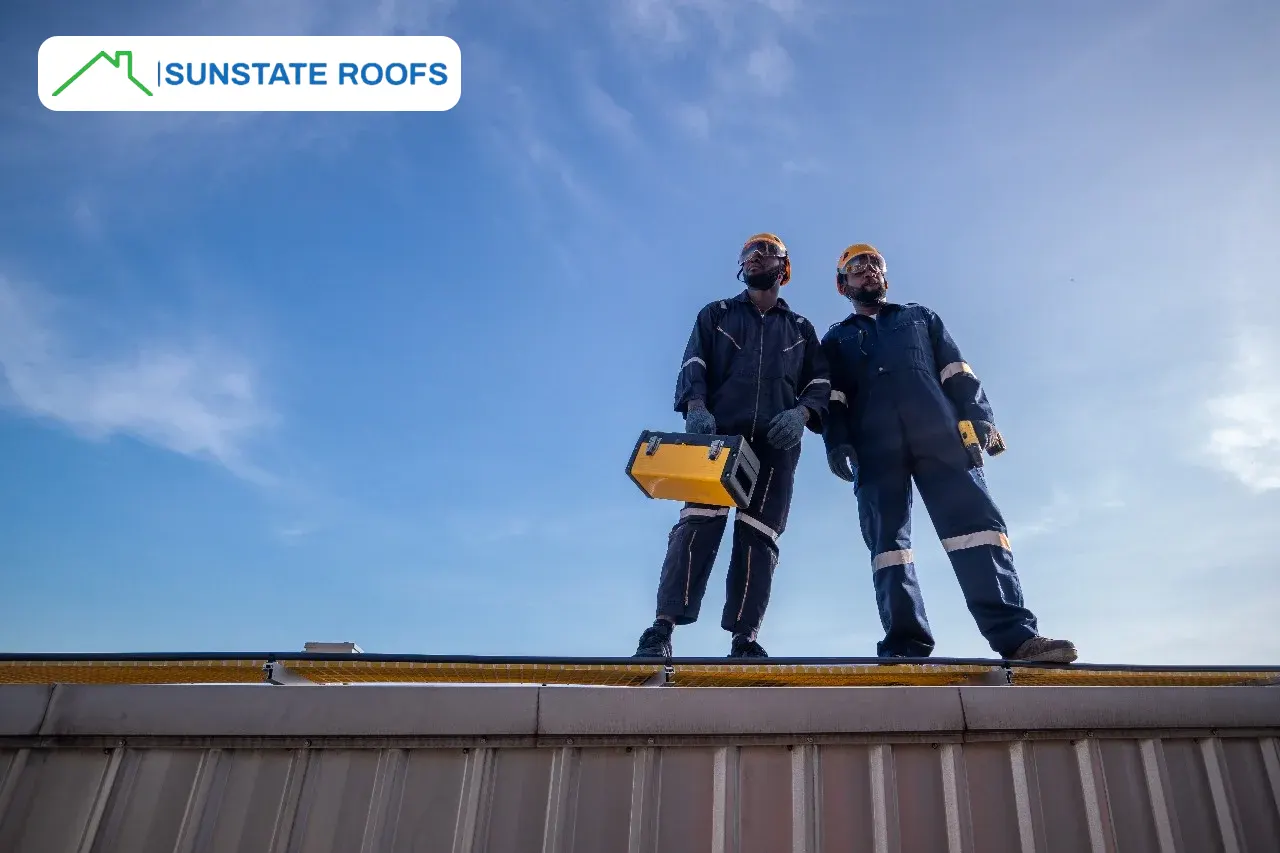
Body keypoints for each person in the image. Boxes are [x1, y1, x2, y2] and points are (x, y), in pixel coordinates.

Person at [819, 242, 1077, 663]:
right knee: (889, 547)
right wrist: (837, 440)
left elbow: (956, 370)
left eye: (875, 264)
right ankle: (905, 648)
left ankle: (1016, 639)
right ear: (841, 283)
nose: (868, 271)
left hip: (940, 438)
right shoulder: (836, 338)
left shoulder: (919, 317)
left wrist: (979, 418)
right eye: (856, 267)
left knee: (978, 531)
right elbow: (835, 398)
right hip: (875, 446)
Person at [633, 233, 831, 658]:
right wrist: (696, 408)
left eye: (767, 253)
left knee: (759, 536)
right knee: (697, 525)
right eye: (749, 254)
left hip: (776, 445)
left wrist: (802, 415)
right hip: (717, 440)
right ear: (742, 267)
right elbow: (694, 362)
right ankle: (661, 630)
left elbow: (819, 384)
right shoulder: (717, 315)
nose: (757, 258)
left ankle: (745, 639)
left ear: (785, 268)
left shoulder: (800, 329)